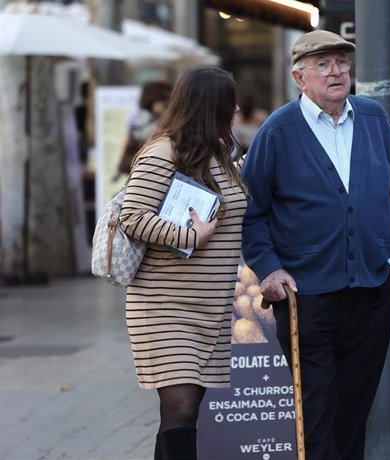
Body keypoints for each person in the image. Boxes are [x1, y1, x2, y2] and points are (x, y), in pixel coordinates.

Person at [241, 30, 390, 460]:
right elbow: (251, 212)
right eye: (323, 64)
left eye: (341, 62)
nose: (336, 72)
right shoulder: (278, 131)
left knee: (355, 409)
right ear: (299, 77)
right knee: (317, 410)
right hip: (306, 296)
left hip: (371, 290)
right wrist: (269, 268)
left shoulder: (375, 120)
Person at [118, 66, 247, 460]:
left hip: (209, 308)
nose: (238, 109)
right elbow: (132, 216)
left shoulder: (222, 155)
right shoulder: (163, 152)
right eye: (230, 102)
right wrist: (192, 236)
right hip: (164, 306)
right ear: (212, 106)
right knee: (180, 410)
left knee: (184, 417)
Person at [115, 80, 172, 179]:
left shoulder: (139, 119)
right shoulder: (146, 122)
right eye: (164, 101)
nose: (168, 105)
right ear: (154, 102)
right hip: (146, 171)